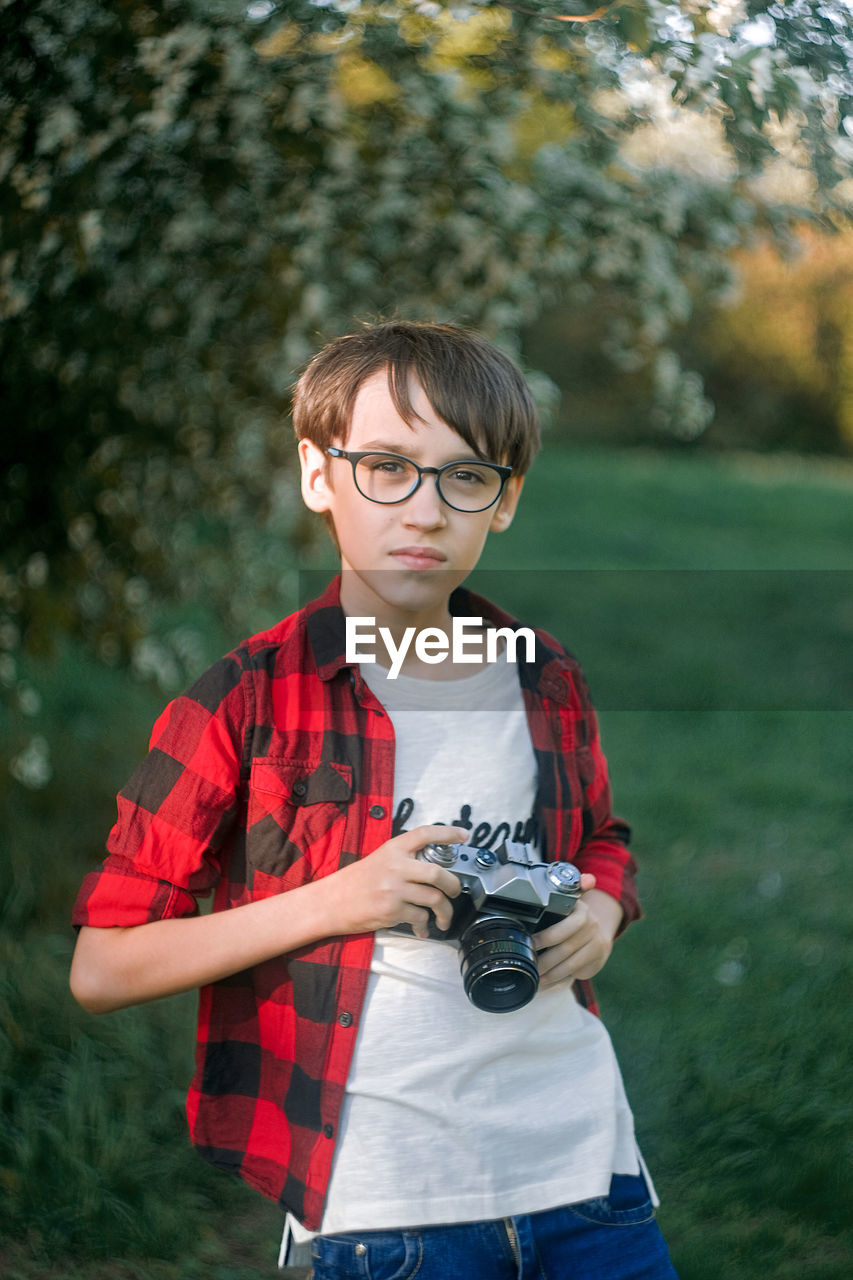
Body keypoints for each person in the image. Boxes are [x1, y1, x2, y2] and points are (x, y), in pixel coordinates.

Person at [70, 320, 678, 1280]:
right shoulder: (244, 700)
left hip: (586, 1170)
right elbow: (101, 969)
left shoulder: (543, 676)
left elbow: (601, 838)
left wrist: (602, 905)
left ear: (504, 499)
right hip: (385, 1203)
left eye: (464, 476)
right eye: (386, 467)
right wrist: (336, 902)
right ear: (319, 474)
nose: (425, 512)